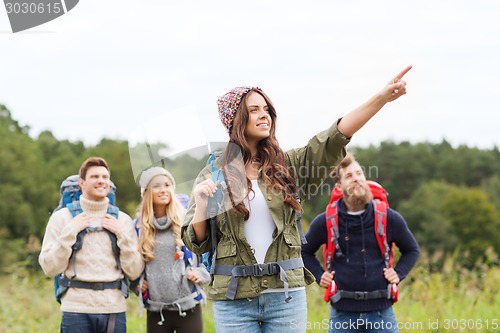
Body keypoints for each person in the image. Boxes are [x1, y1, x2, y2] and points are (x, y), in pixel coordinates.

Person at [182, 65, 413, 333]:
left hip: (285, 296)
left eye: (266, 109)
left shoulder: (289, 166)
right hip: (233, 299)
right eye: (254, 110)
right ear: (235, 119)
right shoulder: (214, 173)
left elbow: (333, 137)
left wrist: (381, 99)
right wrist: (200, 205)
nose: (264, 115)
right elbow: (196, 244)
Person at [301, 154, 420, 333]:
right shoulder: (326, 220)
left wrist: (399, 273)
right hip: (342, 314)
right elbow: (304, 251)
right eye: (349, 176)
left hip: (382, 313)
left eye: (359, 173)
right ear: (339, 186)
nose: (357, 178)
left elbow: (412, 250)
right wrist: (319, 275)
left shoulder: (388, 217)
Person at [39, 157, 144, 333]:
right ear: (82, 183)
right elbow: (49, 267)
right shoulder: (62, 218)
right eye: (95, 176)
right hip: (75, 310)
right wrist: (70, 232)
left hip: (114, 309)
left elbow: (134, 271)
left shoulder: (123, 221)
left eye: (105, 177)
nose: (101, 180)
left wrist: (122, 235)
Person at [134, 167, 210, 333]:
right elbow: (130, 263)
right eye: (156, 186)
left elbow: (206, 254)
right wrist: (136, 283)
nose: (163, 190)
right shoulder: (138, 227)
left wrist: (201, 273)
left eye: (167, 185)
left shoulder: (187, 221)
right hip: (156, 310)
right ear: (146, 192)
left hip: (189, 306)